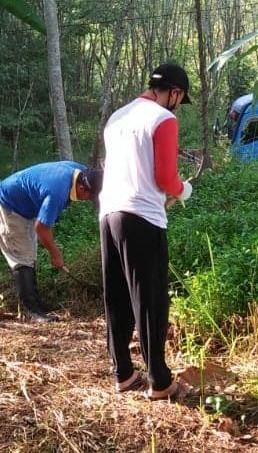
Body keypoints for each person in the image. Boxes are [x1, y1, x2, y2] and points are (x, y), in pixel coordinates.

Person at [99, 62, 194, 401]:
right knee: (150, 298)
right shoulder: (163, 119)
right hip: (142, 217)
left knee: (118, 296)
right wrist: (184, 191)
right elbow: (166, 178)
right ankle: (159, 380)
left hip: (109, 213)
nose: (177, 105)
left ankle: (123, 373)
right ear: (175, 92)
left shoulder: (118, 117)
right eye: (179, 99)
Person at [0, 161, 102, 323]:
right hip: (7, 205)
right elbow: (41, 227)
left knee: (29, 254)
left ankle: (37, 303)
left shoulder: (80, 171)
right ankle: (32, 311)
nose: (87, 201)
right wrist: (55, 254)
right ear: (82, 188)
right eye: (90, 198)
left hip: (24, 206)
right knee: (22, 259)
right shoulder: (57, 192)